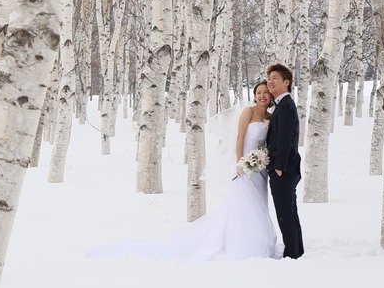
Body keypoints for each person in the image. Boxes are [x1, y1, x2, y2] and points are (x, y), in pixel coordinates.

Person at [87, 81, 280, 262]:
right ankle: (242, 245)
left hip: (259, 168)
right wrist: (240, 162)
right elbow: (239, 138)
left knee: (259, 204)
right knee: (243, 205)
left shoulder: (271, 117)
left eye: (265, 92)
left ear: (270, 96)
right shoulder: (248, 112)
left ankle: (258, 241)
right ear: (254, 96)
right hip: (242, 166)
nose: (262, 95)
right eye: (258, 92)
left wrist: (261, 160)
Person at [265, 62, 304, 259]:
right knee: (289, 210)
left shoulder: (287, 105)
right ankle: (297, 249)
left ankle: (292, 254)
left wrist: (279, 166)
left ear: (286, 82)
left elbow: (286, 138)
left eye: (275, 78)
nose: (270, 82)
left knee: (285, 212)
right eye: (269, 78)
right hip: (287, 168)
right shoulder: (282, 105)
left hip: (284, 169)